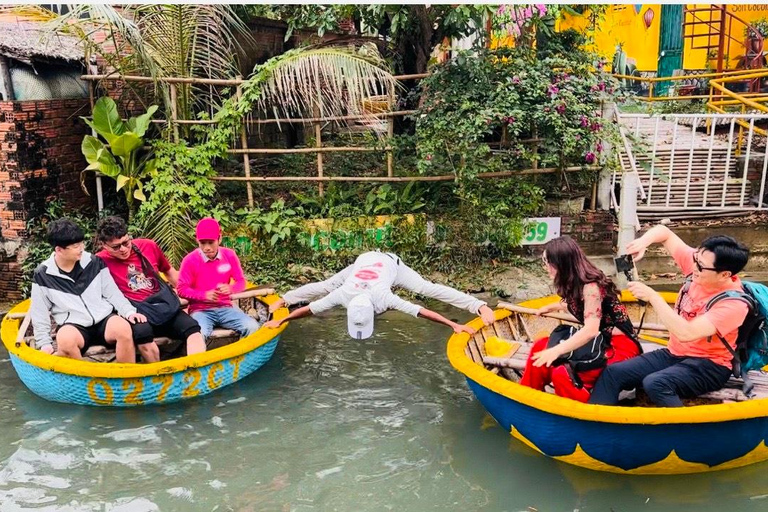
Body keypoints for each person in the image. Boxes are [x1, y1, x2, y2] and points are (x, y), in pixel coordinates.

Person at [589, 226, 750, 407]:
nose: (694, 267)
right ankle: (596, 428)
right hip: (675, 353)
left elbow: (686, 333)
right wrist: (643, 243)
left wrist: (653, 297)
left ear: (725, 274)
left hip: (710, 365)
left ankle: (683, 432)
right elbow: (664, 232)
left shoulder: (733, 304)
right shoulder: (701, 265)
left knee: (656, 383)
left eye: (700, 266)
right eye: (695, 259)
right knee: (613, 373)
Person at [520, 236, 643, 402]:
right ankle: (527, 396)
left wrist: (556, 350)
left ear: (561, 264)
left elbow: (590, 330)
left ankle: (582, 411)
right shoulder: (577, 282)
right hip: (599, 341)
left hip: (619, 346)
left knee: (563, 373)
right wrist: (552, 307)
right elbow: (583, 306)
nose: (545, 267)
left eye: (547, 262)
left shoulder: (591, 287)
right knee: (540, 347)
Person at [263, 251, 484, 337]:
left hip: (391, 264)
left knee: (424, 288)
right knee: (327, 285)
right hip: (362, 263)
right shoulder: (342, 294)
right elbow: (308, 309)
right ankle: (285, 297)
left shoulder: (383, 296)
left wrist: (454, 324)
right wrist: (283, 317)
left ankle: (477, 304)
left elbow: (422, 311)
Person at [29, 218, 146, 363]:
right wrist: (44, 343)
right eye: (76, 246)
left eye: (81, 243)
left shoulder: (93, 262)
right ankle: (84, 381)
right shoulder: (43, 274)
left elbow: (112, 293)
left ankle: (126, 378)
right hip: (73, 325)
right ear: (59, 249)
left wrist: (128, 311)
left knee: (123, 329)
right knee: (65, 340)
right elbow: (39, 313)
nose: (82, 248)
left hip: (103, 318)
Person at [96, 216, 206, 361]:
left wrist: (193, 295)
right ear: (104, 245)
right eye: (116, 247)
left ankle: (197, 370)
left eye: (125, 243)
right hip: (136, 312)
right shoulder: (99, 261)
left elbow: (170, 272)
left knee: (193, 329)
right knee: (143, 336)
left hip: (162, 305)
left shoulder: (147, 246)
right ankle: (158, 376)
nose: (123, 249)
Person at [177, 218, 260, 341]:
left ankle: (239, 356)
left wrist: (231, 288)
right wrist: (204, 295)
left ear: (219, 239)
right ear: (197, 241)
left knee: (252, 327)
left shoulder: (230, 255)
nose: (207, 248)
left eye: (211, 242)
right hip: (200, 311)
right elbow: (181, 289)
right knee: (198, 335)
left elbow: (241, 281)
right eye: (203, 243)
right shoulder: (190, 260)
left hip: (225, 308)